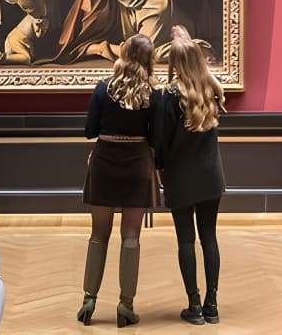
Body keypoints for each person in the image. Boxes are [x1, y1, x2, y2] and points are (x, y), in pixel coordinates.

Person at [77, 33, 161, 328]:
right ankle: (126, 305)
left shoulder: (103, 88)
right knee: (131, 235)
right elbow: (157, 138)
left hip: (104, 162)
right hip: (137, 164)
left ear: (123, 54)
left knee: (98, 234)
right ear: (149, 59)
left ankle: (89, 300)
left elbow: (89, 130)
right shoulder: (153, 94)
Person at [156, 25, 226, 326]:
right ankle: (212, 304)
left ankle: (194, 304)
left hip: (180, 176)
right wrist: (187, 43)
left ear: (174, 63)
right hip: (210, 175)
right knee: (209, 237)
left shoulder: (169, 96)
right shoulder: (212, 91)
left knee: (186, 239)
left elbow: (161, 142)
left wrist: (158, 169)